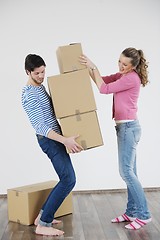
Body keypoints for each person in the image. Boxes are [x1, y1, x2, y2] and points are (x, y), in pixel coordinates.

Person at [79, 47, 152, 230]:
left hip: (128, 128)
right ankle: (131, 212)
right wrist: (87, 67)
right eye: (119, 61)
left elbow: (103, 89)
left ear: (133, 66)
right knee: (130, 173)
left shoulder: (130, 78)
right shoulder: (122, 75)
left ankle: (144, 215)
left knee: (126, 173)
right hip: (124, 128)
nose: (120, 65)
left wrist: (93, 66)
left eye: (125, 64)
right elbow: (102, 80)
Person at [21, 54, 83, 236]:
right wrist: (65, 140)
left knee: (67, 178)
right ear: (28, 72)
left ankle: (42, 217)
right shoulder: (29, 94)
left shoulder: (39, 88)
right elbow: (39, 126)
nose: (41, 76)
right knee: (68, 179)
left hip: (56, 139)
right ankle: (43, 224)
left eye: (43, 71)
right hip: (49, 141)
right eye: (37, 73)